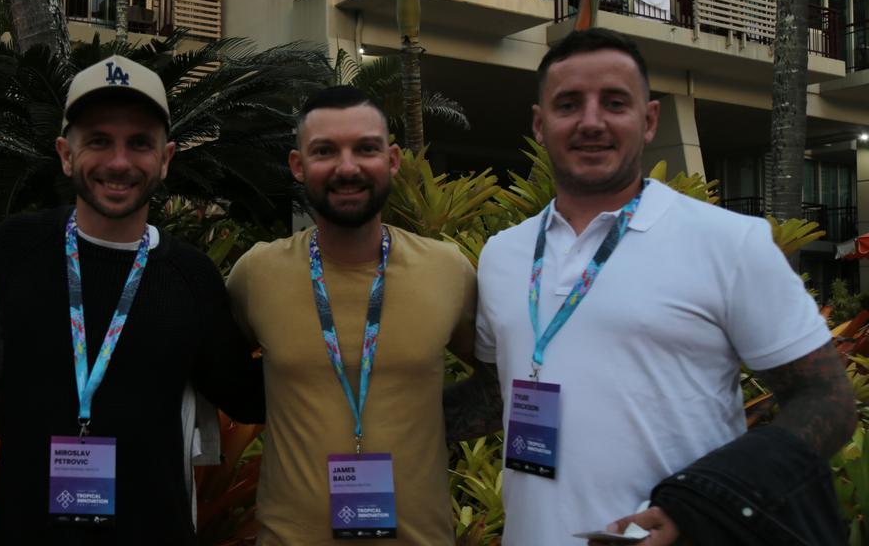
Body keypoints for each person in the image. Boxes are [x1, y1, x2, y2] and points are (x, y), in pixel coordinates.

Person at [445, 28, 856, 545]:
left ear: (649, 120)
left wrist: (703, 502)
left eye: (614, 103)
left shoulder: (729, 242)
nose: (591, 121)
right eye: (568, 104)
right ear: (540, 123)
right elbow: (497, 391)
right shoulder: (504, 254)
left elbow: (827, 399)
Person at [0, 55, 264, 544]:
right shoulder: (14, 250)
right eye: (98, 141)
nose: (118, 162)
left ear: (166, 158)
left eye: (139, 143)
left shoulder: (191, 277)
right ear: (66, 154)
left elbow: (249, 395)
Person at [226, 85, 477, 545]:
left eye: (366, 148)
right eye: (325, 151)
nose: (347, 167)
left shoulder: (448, 270)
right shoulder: (257, 275)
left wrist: (430, 419)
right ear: (298, 166)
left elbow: (506, 374)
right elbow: (216, 374)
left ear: (393, 160)